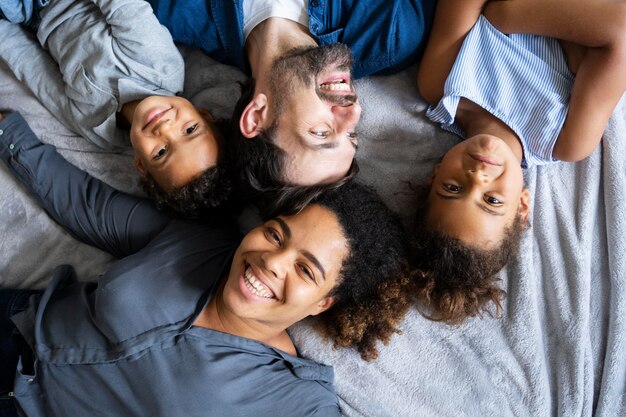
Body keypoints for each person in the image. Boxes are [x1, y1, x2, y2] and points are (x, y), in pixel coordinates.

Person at [0, 111, 411, 416]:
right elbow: (91, 207)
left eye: (305, 270)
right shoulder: (200, 239)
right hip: (17, 324)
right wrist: (8, 132)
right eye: (275, 234)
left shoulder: (297, 400)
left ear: (323, 302)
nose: (272, 262)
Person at [413, 0, 626, 324]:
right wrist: (503, 14)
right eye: (492, 200)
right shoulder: (566, 140)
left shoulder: (441, 84)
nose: (479, 176)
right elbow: (621, 30)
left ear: (435, 173)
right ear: (522, 206)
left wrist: (573, 41)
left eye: (454, 187)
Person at [146, 0, 437, 215]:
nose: (353, 112)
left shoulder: (176, 11)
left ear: (258, 116)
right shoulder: (390, 34)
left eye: (322, 133)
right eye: (351, 135)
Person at [0, 0, 232, 218]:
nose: (166, 128)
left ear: (141, 164)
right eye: (190, 129)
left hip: (33, 18)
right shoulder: (159, 65)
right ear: (202, 114)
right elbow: (120, 5)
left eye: (160, 153)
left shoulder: (97, 128)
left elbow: (37, 72)